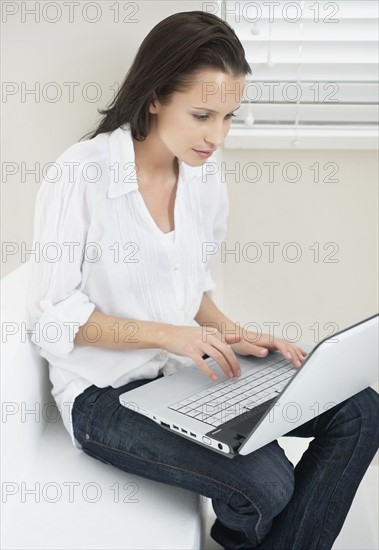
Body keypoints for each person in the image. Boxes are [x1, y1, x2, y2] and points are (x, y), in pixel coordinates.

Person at [26, 10, 379, 550]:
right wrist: (173, 337)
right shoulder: (82, 175)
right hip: (103, 400)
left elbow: (192, 292)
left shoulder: (203, 173)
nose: (217, 137)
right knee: (267, 483)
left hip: (183, 372)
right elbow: (54, 322)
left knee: (360, 410)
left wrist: (233, 333)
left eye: (230, 117)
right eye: (202, 115)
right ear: (153, 97)